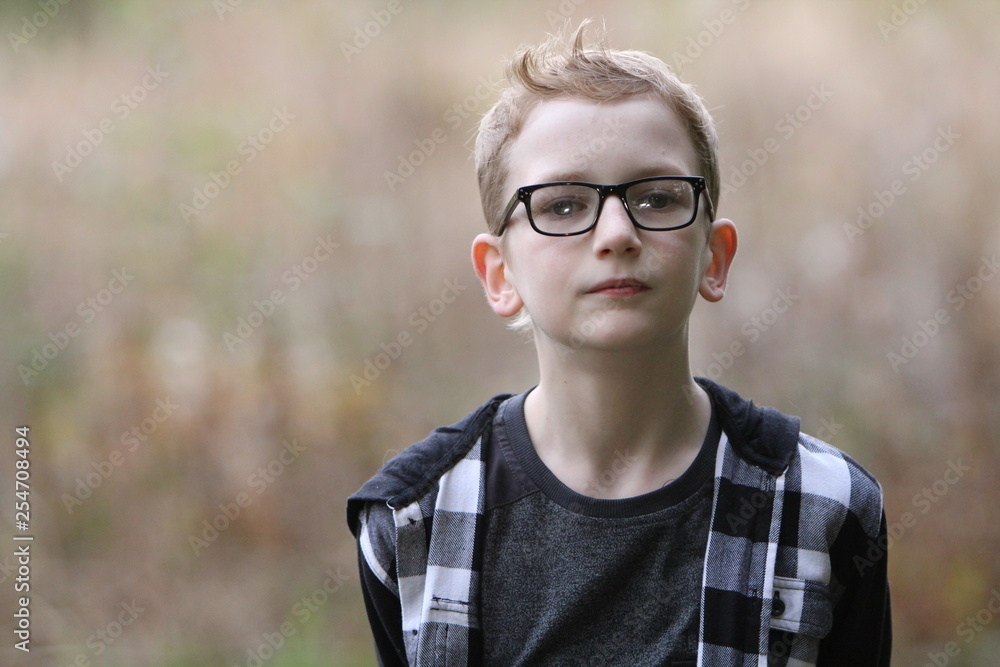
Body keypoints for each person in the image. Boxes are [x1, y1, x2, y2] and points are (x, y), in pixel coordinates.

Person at [347, 21, 890, 667]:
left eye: (657, 198)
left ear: (714, 257)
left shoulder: (826, 507)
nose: (616, 234)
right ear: (500, 274)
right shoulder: (412, 521)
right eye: (563, 205)